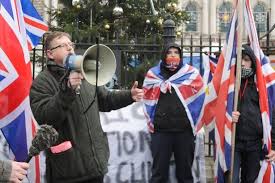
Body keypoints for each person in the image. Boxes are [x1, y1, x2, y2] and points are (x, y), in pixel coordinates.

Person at [29, 31, 144, 183]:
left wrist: (129, 95)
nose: (70, 48)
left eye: (71, 44)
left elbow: (105, 99)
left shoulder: (85, 74)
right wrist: (67, 90)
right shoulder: (42, 82)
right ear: (50, 53)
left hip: (95, 164)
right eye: (63, 45)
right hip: (67, 170)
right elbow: (46, 117)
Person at [143, 43, 205, 183]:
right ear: (163, 55)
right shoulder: (153, 75)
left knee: (185, 175)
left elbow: (201, 97)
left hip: (184, 132)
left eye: (176, 52)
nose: (172, 55)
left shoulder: (191, 74)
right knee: (158, 175)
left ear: (180, 56)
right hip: (161, 132)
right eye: (169, 52)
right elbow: (147, 98)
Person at [232, 44, 275, 183]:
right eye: (240, 60)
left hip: (255, 143)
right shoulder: (231, 85)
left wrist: (273, 145)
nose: (243, 63)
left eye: (246, 59)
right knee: (231, 178)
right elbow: (219, 110)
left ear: (253, 62)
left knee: (250, 179)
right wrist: (229, 117)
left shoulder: (261, 86)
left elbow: (271, 115)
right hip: (234, 142)